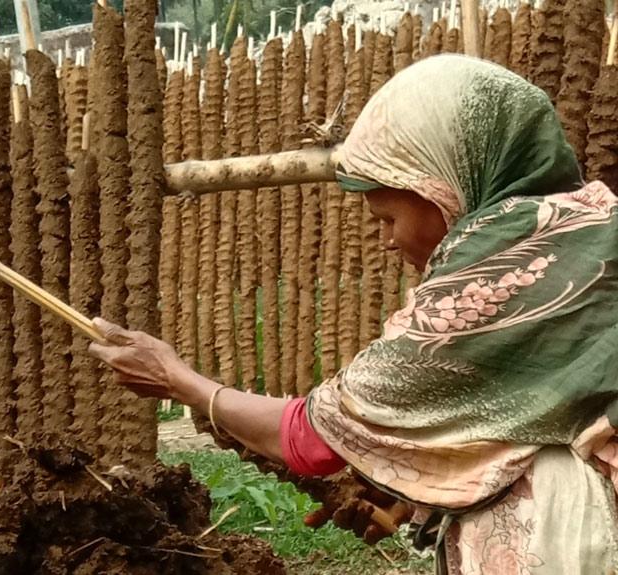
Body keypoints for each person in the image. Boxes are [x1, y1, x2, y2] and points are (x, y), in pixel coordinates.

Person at [91, 54, 618, 573]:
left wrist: (177, 380)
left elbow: (310, 439)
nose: (387, 240)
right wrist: (421, 495)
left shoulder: (499, 276)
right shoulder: (590, 229)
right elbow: (532, 423)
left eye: (388, 217)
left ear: (441, 187)